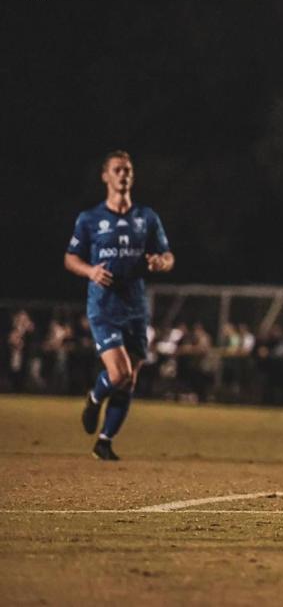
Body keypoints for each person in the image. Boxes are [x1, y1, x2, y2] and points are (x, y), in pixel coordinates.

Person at [64, 150, 174, 460]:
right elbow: (70, 258)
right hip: (104, 305)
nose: (123, 174)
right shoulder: (90, 219)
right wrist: (91, 271)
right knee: (119, 372)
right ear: (106, 176)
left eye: (127, 170)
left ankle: (104, 440)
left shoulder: (147, 217)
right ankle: (95, 399)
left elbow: (167, 256)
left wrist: (160, 263)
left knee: (131, 378)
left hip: (136, 306)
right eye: (117, 170)